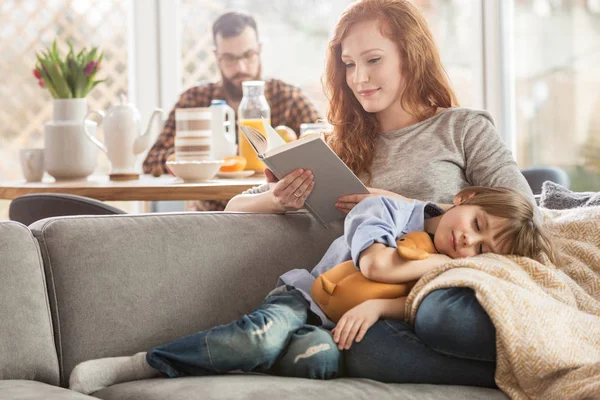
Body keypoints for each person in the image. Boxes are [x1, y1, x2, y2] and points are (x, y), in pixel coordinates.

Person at [224, 0, 536, 388]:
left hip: (444, 294)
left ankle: (521, 370)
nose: (359, 78)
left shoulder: (463, 128)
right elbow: (235, 205)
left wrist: (402, 204)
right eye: (349, 64)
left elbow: (528, 216)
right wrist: (277, 199)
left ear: (411, 56)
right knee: (366, 347)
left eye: (373, 60)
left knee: (440, 315)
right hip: (368, 306)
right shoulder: (333, 148)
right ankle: (515, 376)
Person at [68, 186, 553, 394]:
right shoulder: (383, 210)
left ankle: (261, 356)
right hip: (304, 301)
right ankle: (144, 362)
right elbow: (377, 263)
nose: (469, 239)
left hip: (329, 331)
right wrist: (444, 264)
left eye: (482, 247)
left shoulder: (451, 270)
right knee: (258, 336)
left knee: (319, 362)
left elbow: (411, 306)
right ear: (464, 201)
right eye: (477, 223)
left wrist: (383, 308)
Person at [143, 11, 321, 211]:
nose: (241, 67)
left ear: (259, 50)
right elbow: (152, 161)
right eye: (229, 59)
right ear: (216, 57)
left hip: (276, 216)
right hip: (211, 215)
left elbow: (324, 144)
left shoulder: (287, 98)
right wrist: (201, 159)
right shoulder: (195, 100)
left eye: (248, 55)